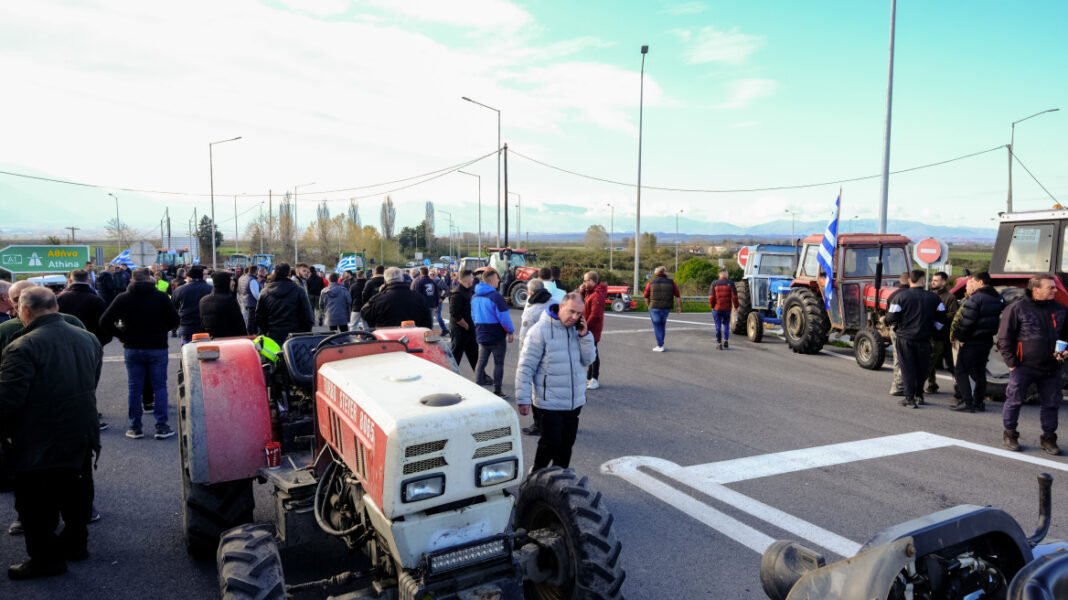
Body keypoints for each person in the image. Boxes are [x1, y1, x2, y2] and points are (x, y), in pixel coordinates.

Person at [0, 287, 102, 580]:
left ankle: (45, 561)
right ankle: (76, 544)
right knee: (77, 491)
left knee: (35, 504)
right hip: (81, 430)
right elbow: (92, 379)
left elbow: (7, 400)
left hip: (39, 437)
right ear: (56, 307)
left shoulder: (23, 346)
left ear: (25, 311)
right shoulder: (88, 338)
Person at [515, 292, 597, 472]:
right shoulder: (540, 331)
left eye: (579, 314)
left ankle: (559, 478)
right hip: (549, 401)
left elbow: (588, 360)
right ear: (561, 307)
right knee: (550, 443)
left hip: (574, 401)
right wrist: (523, 398)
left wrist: (585, 336)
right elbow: (526, 367)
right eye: (571, 312)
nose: (574, 317)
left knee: (566, 444)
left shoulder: (578, 331)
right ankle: (536, 475)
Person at [99, 268, 180, 440]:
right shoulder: (160, 297)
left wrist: (122, 333)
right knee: (160, 387)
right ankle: (162, 426)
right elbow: (175, 320)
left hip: (132, 347)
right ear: (150, 280)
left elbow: (105, 321)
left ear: (132, 280)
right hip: (157, 347)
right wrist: (161, 330)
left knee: (134, 388)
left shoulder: (122, 298)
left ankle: (135, 427)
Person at [997, 274, 1068, 455]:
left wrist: (1066, 351)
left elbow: (1067, 336)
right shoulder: (1017, 308)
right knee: (1014, 401)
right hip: (1023, 366)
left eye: (1054, 287)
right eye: (1050, 287)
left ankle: (1049, 438)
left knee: (1051, 404)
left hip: (1052, 367)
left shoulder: (1061, 309)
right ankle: (1010, 434)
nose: (1055, 290)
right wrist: (1012, 363)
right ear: (1036, 289)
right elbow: (1004, 338)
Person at [884, 270, 947, 409]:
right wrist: (934, 329)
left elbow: (890, 318)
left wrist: (897, 326)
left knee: (907, 368)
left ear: (909, 281)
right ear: (923, 281)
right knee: (921, 368)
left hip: (905, 338)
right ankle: (919, 395)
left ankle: (909, 398)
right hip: (925, 338)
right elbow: (942, 318)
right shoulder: (934, 298)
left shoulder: (900, 297)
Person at [950, 272, 1003, 413]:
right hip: (986, 340)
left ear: (980, 282)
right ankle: (979, 402)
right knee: (979, 372)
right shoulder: (997, 298)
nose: (971, 284)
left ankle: (967, 402)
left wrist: (961, 338)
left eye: (972, 281)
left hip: (972, 341)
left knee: (961, 371)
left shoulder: (975, 299)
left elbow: (967, 322)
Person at [517, 279, 554, 436]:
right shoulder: (554, 302)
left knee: (536, 391)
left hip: (535, 352)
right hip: (553, 352)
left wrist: (522, 356)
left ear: (530, 292)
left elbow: (524, 335)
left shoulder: (532, 309)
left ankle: (539, 424)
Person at [472, 267, 515, 398]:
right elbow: (504, 318)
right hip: (496, 335)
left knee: (481, 361)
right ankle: (497, 391)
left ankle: (477, 388)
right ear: (491, 280)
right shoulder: (496, 297)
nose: (499, 280)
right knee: (498, 363)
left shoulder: (474, 296)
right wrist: (510, 331)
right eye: (497, 278)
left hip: (481, 333)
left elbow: (473, 316)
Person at [256, 263, 314, 343]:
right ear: (289, 273)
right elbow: (308, 317)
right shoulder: (299, 291)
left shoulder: (264, 291)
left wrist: (264, 332)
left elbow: (259, 317)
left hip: (272, 337)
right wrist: (304, 334)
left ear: (275, 273)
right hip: (294, 338)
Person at [361, 267, 433, 329]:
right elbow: (428, 323)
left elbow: (364, 313)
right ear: (402, 278)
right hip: (413, 339)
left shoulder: (377, 299)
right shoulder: (419, 298)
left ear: (385, 281)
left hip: (386, 341)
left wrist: (375, 326)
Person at [57, 270, 112, 347]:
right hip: (91, 343)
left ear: (69, 280)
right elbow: (106, 323)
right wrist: (100, 343)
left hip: (65, 344)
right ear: (88, 280)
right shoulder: (97, 300)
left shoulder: (60, 298)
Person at [925, 271, 960, 393]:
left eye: (936, 280)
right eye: (932, 280)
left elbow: (954, 315)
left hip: (944, 336)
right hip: (931, 335)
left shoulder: (950, 297)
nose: (932, 282)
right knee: (930, 361)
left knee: (950, 363)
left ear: (943, 282)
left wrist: (939, 316)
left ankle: (960, 388)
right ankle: (932, 384)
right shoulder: (929, 295)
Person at [642, 266, 681, 352]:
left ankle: (660, 345)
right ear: (664, 273)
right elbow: (677, 295)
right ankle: (661, 344)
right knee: (662, 325)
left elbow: (645, 296)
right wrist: (678, 307)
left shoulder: (651, 283)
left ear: (656, 273)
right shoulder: (671, 282)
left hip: (654, 307)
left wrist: (648, 305)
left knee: (657, 326)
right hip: (666, 307)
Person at [199, 271, 247, 339]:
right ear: (225, 282)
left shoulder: (203, 300)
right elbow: (239, 324)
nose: (233, 282)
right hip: (228, 341)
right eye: (230, 280)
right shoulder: (229, 300)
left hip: (211, 340)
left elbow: (202, 324)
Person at [171, 265, 212, 344]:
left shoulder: (179, 290)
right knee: (204, 351)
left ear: (189, 277)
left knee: (187, 350)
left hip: (186, 324)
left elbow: (173, 308)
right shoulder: (210, 289)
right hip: (205, 325)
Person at [448, 270, 479, 372]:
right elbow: (455, 314)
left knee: (474, 352)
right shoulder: (457, 294)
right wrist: (466, 326)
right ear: (465, 279)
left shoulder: (470, 290)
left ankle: (480, 375)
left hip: (470, 328)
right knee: (456, 353)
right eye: (471, 276)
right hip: (459, 329)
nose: (473, 279)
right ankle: (451, 374)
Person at [887, 272, 912, 397]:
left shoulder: (893, 295)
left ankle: (898, 385)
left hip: (898, 329)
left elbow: (890, 317)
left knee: (899, 356)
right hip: (914, 330)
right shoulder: (919, 295)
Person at [582, 271, 607, 389]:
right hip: (589, 328)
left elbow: (595, 315)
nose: (584, 283)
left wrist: (585, 326)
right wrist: (582, 291)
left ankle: (594, 378)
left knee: (594, 353)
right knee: (591, 351)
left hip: (592, 329)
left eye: (586, 281)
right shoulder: (590, 292)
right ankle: (589, 377)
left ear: (592, 281)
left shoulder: (597, 295)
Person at [708, 270, 739, 350]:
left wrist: (712, 306)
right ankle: (725, 340)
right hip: (727, 309)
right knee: (726, 325)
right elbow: (734, 297)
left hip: (717, 308)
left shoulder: (714, 283)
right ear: (726, 275)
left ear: (719, 275)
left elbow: (711, 297)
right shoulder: (731, 283)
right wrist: (736, 307)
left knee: (717, 326)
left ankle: (719, 343)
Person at [412, 267, 441, 332]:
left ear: (421, 273)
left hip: (423, 305)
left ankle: (423, 333)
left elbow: (417, 295)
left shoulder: (419, 282)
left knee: (423, 320)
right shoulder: (432, 282)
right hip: (432, 304)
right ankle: (429, 333)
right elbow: (436, 294)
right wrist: (436, 304)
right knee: (430, 320)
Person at [236, 266, 261, 335]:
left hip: (244, 302)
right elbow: (256, 294)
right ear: (255, 271)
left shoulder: (241, 278)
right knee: (251, 323)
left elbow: (239, 291)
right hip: (252, 304)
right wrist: (262, 301)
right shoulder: (252, 280)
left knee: (247, 321)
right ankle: (251, 335)